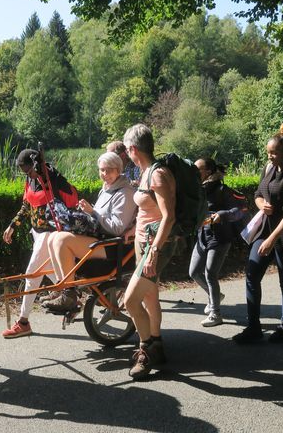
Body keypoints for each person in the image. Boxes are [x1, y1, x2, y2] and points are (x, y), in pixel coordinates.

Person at [233, 123, 283, 344]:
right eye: (268, 152)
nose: (269, 156)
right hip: (265, 230)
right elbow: (258, 193)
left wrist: (272, 240)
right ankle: (253, 327)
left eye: (274, 153)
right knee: (252, 274)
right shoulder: (269, 169)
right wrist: (261, 204)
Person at [42, 152, 137, 310]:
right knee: (53, 237)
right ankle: (63, 287)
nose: (104, 174)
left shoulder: (125, 192)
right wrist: (85, 213)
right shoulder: (107, 188)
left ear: (119, 170)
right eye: (102, 170)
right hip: (101, 239)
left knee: (61, 240)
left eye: (109, 170)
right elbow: (98, 220)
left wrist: (93, 212)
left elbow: (117, 228)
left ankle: (69, 294)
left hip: (114, 245)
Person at [1, 148, 77, 338]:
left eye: (28, 170)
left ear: (36, 165)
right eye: (24, 172)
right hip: (37, 232)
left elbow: (70, 199)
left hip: (50, 233)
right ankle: (71, 296)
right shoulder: (31, 179)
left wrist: (50, 181)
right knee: (50, 270)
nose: (27, 175)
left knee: (32, 274)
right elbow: (27, 205)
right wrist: (13, 225)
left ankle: (23, 322)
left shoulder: (52, 179)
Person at [122, 124, 177, 380]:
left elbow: (169, 216)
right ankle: (158, 343)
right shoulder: (145, 172)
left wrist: (154, 250)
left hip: (155, 246)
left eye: (126, 149)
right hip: (144, 243)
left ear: (133, 149)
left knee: (130, 300)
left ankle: (146, 351)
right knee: (149, 299)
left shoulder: (158, 175)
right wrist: (135, 230)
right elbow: (149, 211)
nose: (126, 153)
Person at [189, 158, 246, 327]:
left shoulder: (222, 189)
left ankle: (216, 313)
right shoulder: (197, 189)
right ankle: (216, 296)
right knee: (193, 272)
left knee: (210, 274)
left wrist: (222, 214)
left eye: (197, 170)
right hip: (202, 236)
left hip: (220, 238)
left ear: (208, 172)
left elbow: (240, 210)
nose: (194, 173)